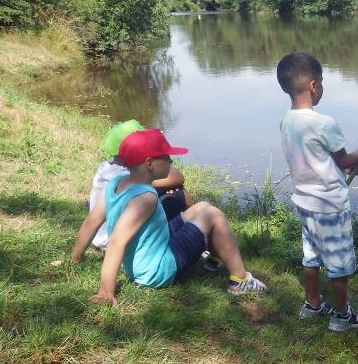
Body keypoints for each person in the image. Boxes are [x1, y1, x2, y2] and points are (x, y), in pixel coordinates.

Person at [72, 128, 267, 303]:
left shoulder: (116, 182)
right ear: (149, 163)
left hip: (143, 259)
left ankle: (215, 259)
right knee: (213, 214)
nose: (171, 161)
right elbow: (116, 242)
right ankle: (240, 280)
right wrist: (106, 291)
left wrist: (76, 257)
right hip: (156, 271)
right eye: (166, 157)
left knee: (202, 207)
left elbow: (91, 222)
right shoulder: (145, 197)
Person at [277, 52, 358, 331]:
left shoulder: (286, 121)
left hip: (305, 202)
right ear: (313, 85)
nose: (322, 87)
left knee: (311, 256)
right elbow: (344, 159)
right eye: (321, 81)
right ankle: (342, 315)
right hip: (330, 206)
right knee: (338, 261)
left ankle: (312, 304)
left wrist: (345, 171)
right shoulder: (325, 123)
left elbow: (316, 162)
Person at [89, 119, 194, 251]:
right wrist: (161, 157)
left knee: (167, 191)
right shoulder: (125, 174)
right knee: (179, 193)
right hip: (115, 239)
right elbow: (177, 178)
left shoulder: (107, 167)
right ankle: (194, 229)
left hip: (104, 235)